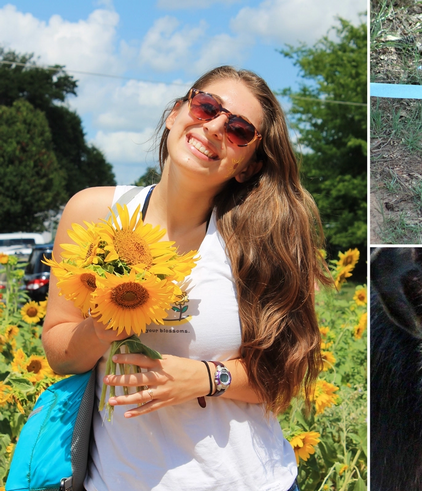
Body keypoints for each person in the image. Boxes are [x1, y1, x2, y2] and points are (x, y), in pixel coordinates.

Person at [42, 66, 329, 490]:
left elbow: (284, 374)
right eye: (206, 106)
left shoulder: (262, 237)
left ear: (247, 165)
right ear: (176, 113)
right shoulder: (93, 212)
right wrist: (104, 324)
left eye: (238, 130)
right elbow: (59, 354)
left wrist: (206, 378)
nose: (213, 127)